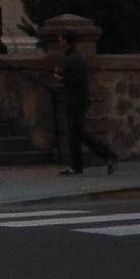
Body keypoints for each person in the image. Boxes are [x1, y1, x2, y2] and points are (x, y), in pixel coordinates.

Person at [54, 32, 117, 175]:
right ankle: (84, 163)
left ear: (66, 41)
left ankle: (106, 156)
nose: (59, 43)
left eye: (61, 40)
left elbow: (77, 80)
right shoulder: (75, 58)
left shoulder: (73, 59)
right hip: (77, 100)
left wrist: (61, 78)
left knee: (76, 133)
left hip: (76, 101)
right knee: (77, 134)